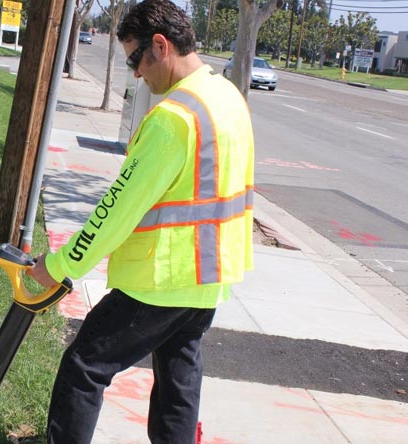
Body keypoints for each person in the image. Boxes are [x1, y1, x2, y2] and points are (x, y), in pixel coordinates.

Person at [26, 0, 255, 442]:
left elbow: (116, 211)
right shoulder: (228, 98)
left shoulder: (174, 118)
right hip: (207, 277)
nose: (134, 72)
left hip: (161, 278)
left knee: (85, 366)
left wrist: (57, 266)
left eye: (135, 59)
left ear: (161, 45)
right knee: (178, 377)